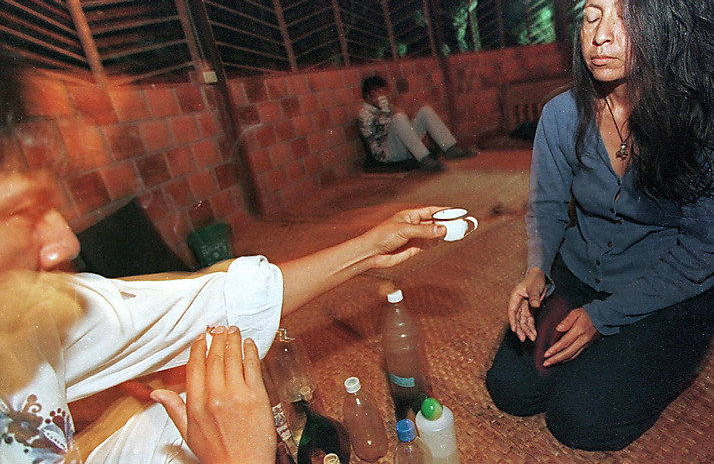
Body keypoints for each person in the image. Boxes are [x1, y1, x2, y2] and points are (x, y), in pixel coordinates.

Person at [0, 50, 449, 463]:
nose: (66, 243)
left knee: (191, 395)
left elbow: (201, 305)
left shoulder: (25, 310)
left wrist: (369, 249)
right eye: (17, 213)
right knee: (225, 429)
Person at [486, 0, 713, 452]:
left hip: (665, 287)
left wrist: (603, 318)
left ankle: (675, 357)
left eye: (624, 20)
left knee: (580, 420)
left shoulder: (697, 120)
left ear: (664, 28)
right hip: (582, 273)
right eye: (591, 17)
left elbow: (700, 250)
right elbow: (548, 206)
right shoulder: (560, 115)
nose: (600, 35)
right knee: (511, 389)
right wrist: (536, 270)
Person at [358, 75, 475, 173]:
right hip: (387, 154)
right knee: (398, 118)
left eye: (382, 92)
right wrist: (385, 110)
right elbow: (381, 132)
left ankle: (450, 149)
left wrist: (396, 111)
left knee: (425, 111)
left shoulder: (384, 107)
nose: (382, 95)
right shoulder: (364, 115)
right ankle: (424, 160)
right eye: (378, 92)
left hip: (405, 147)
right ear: (369, 95)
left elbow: (401, 122)